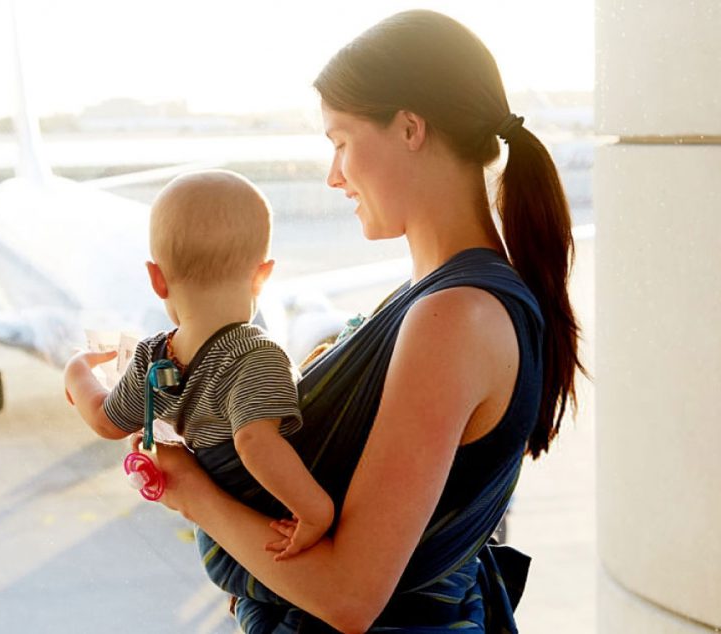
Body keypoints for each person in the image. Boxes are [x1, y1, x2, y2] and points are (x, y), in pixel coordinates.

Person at [141, 10, 585, 634]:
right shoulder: (447, 300)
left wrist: (188, 490)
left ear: (409, 128)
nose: (334, 175)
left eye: (341, 141)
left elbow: (351, 596)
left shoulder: (452, 317)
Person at [63, 169, 335, 560]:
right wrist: (315, 512)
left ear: (157, 280)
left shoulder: (151, 356)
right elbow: (254, 441)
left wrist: (77, 374)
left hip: (221, 543)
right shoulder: (258, 355)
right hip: (261, 530)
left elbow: (107, 421)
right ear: (262, 276)